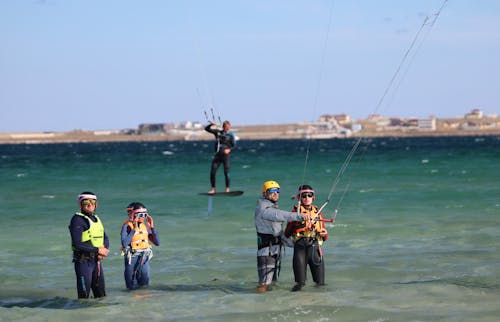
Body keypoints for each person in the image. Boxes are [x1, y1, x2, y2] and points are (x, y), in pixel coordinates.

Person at [254, 180, 310, 293]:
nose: (276, 193)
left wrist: (295, 244)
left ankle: (268, 305)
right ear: (264, 194)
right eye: (272, 191)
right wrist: (298, 216)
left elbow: (278, 234)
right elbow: (280, 216)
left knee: (272, 284)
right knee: (264, 284)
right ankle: (257, 303)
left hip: (274, 251)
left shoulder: (272, 208)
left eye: (277, 191)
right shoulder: (263, 210)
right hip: (266, 254)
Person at [285, 185, 329, 292]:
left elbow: (324, 234)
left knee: (320, 283)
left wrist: (324, 234)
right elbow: (287, 233)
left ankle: (320, 303)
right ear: (299, 198)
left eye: (310, 195)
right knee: (300, 283)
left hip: (315, 248)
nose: (307, 198)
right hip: (300, 248)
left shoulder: (318, 212)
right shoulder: (295, 212)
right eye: (304, 196)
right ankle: (294, 304)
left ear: (313, 197)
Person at [68, 191, 110, 299]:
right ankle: (82, 315)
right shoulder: (77, 220)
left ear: (96, 204)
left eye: (93, 201)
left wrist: (104, 250)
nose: (89, 204)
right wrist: (97, 250)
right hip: (83, 262)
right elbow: (77, 244)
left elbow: (105, 237)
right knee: (83, 298)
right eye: (86, 201)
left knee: (101, 297)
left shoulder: (96, 219)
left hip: (96, 262)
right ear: (80, 204)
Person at [120, 202, 160, 290]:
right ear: (132, 214)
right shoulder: (127, 226)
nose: (142, 217)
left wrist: (152, 227)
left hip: (144, 258)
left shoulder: (145, 226)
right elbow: (124, 243)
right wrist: (134, 229)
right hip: (132, 258)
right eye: (140, 214)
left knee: (144, 286)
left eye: (144, 215)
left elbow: (157, 243)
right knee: (131, 287)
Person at [205, 120, 236, 194]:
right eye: (226, 127)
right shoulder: (218, 132)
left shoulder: (231, 135)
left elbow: (234, 146)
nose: (227, 129)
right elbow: (206, 129)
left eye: (228, 127)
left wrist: (229, 150)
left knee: (226, 172)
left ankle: (227, 189)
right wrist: (211, 124)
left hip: (226, 156)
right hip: (217, 156)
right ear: (223, 127)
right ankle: (213, 189)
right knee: (212, 172)